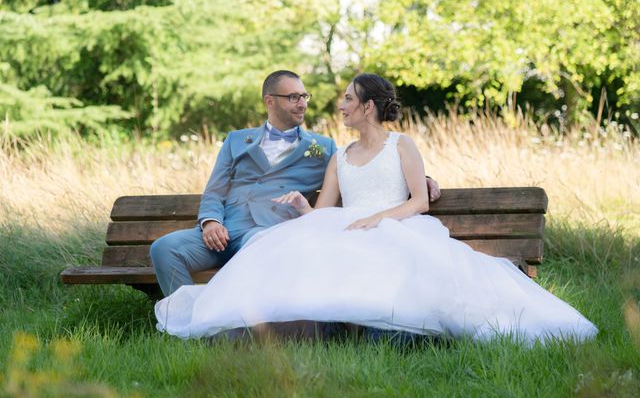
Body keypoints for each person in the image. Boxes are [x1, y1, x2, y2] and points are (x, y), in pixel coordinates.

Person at [155, 73, 597, 344]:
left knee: (386, 257)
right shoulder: (338, 154)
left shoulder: (398, 144)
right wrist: (300, 208)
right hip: (342, 224)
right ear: (271, 100)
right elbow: (323, 209)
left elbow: (418, 199)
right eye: (299, 97)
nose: (336, 105)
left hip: (394, 224)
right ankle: (277, 333)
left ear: (367, 106)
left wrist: (390, 207)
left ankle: (390, 334)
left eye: (347, 99)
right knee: (307, 249)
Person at [150, 69, 443, 297]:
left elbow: (368, 164)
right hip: (225, 229)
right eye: (293, 97)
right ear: (270, 101)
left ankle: (242, 328)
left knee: (257, 252)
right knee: (164, 248)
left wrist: (419, 179)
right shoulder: (236, 140)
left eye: (305, 96)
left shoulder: (323, 147)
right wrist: (210, 222)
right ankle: (185, 320)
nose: (302, 103)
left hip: (269, 233)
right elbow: (215, 189)